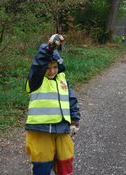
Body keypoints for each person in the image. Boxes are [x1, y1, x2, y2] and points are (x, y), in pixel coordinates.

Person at [25, 34, 81, 175]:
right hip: (40, 130)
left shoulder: (62, 79)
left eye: (55, 67)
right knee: (41, 165)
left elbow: (71, 99)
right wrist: (49, 48)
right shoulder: (36, 80)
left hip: (62, 128)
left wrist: (74, 120)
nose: (51, 71)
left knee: (65, 164)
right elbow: (38, 64)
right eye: (48, 68)